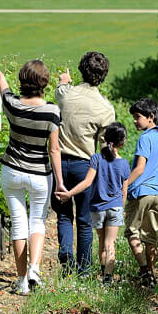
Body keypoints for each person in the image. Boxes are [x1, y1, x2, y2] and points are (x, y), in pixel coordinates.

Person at [0, 47, 64, 295]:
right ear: (45, 83)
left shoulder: (11, 105)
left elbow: (1, 80)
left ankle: (21, 282)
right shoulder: (52, 112)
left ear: (23, 81)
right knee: (37, 222)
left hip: (11, 170)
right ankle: (34, 270)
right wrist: (60, 182)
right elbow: (54, 150)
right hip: (40, 174)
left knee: (18, 225)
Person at [52, 51, 115, 276]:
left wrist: (63, 80)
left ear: (81, 69)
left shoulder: (65, 95)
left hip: (59, 163)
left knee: (63, 214)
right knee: (85, 221)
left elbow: (61, 89)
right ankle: (84, 269)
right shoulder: (105, 108)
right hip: (85, 166)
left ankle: (66, 255)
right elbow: (107, 144)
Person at [54, 121, 130, 283]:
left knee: (102, 243)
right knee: (111, 243)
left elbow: (87, 182)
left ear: (104, 138)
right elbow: (124, 190)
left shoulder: (96, 158)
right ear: (122, 142)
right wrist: (121, 207)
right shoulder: (124, 164)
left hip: (97, 208)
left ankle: (103, 272)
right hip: (115, 207)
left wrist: (69, 193)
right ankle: (107, 278)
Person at [121, 98, 158, 288]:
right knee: (150, 237)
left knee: (132, 233)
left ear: (150, 117)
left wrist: (125, 184)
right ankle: (152, 274)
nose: (134, 121)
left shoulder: (145, 138)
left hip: (141, 192)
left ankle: (144, 271)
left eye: (137, 117)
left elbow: (140, 168)